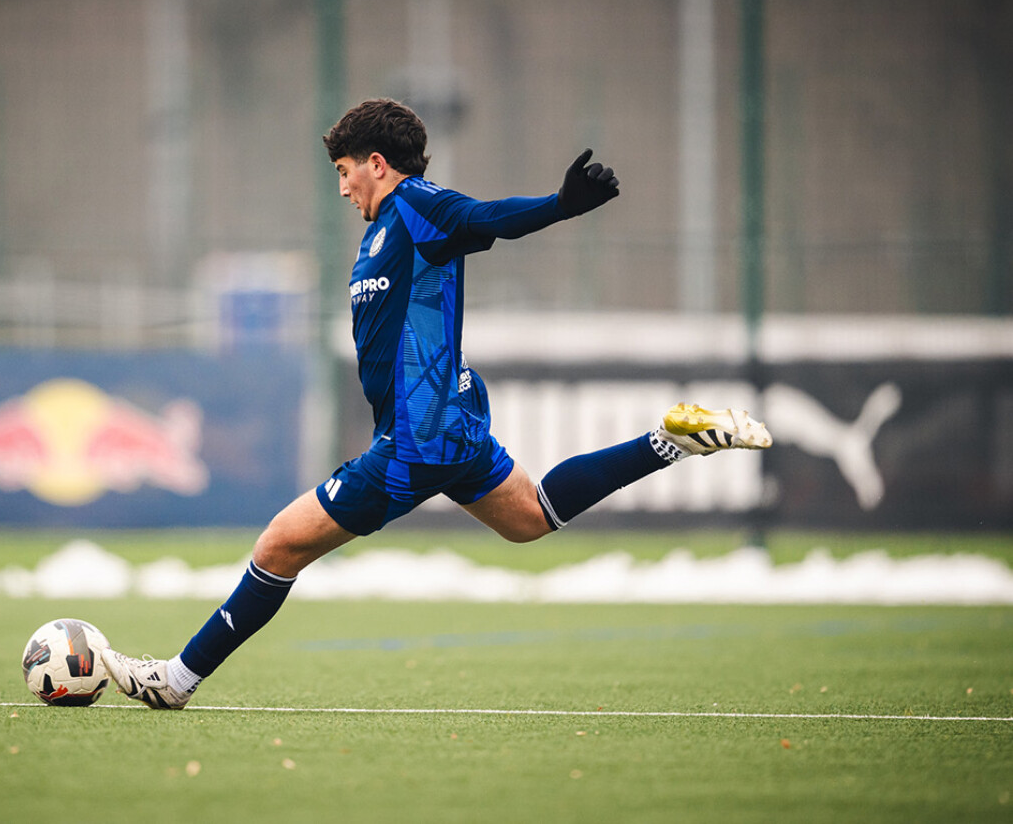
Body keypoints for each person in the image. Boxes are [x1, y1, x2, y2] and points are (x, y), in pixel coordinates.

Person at [99, 98, 771, 708]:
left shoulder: (418, 205)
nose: (341, 187)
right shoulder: (386, 226)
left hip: (418, 440)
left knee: (278, 546)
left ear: (377, 163)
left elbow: (486, 217)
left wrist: (559, 205)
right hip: (446, 427)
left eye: (344, 170)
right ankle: (670, 440)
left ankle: (175, 681)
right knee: (532, 517)